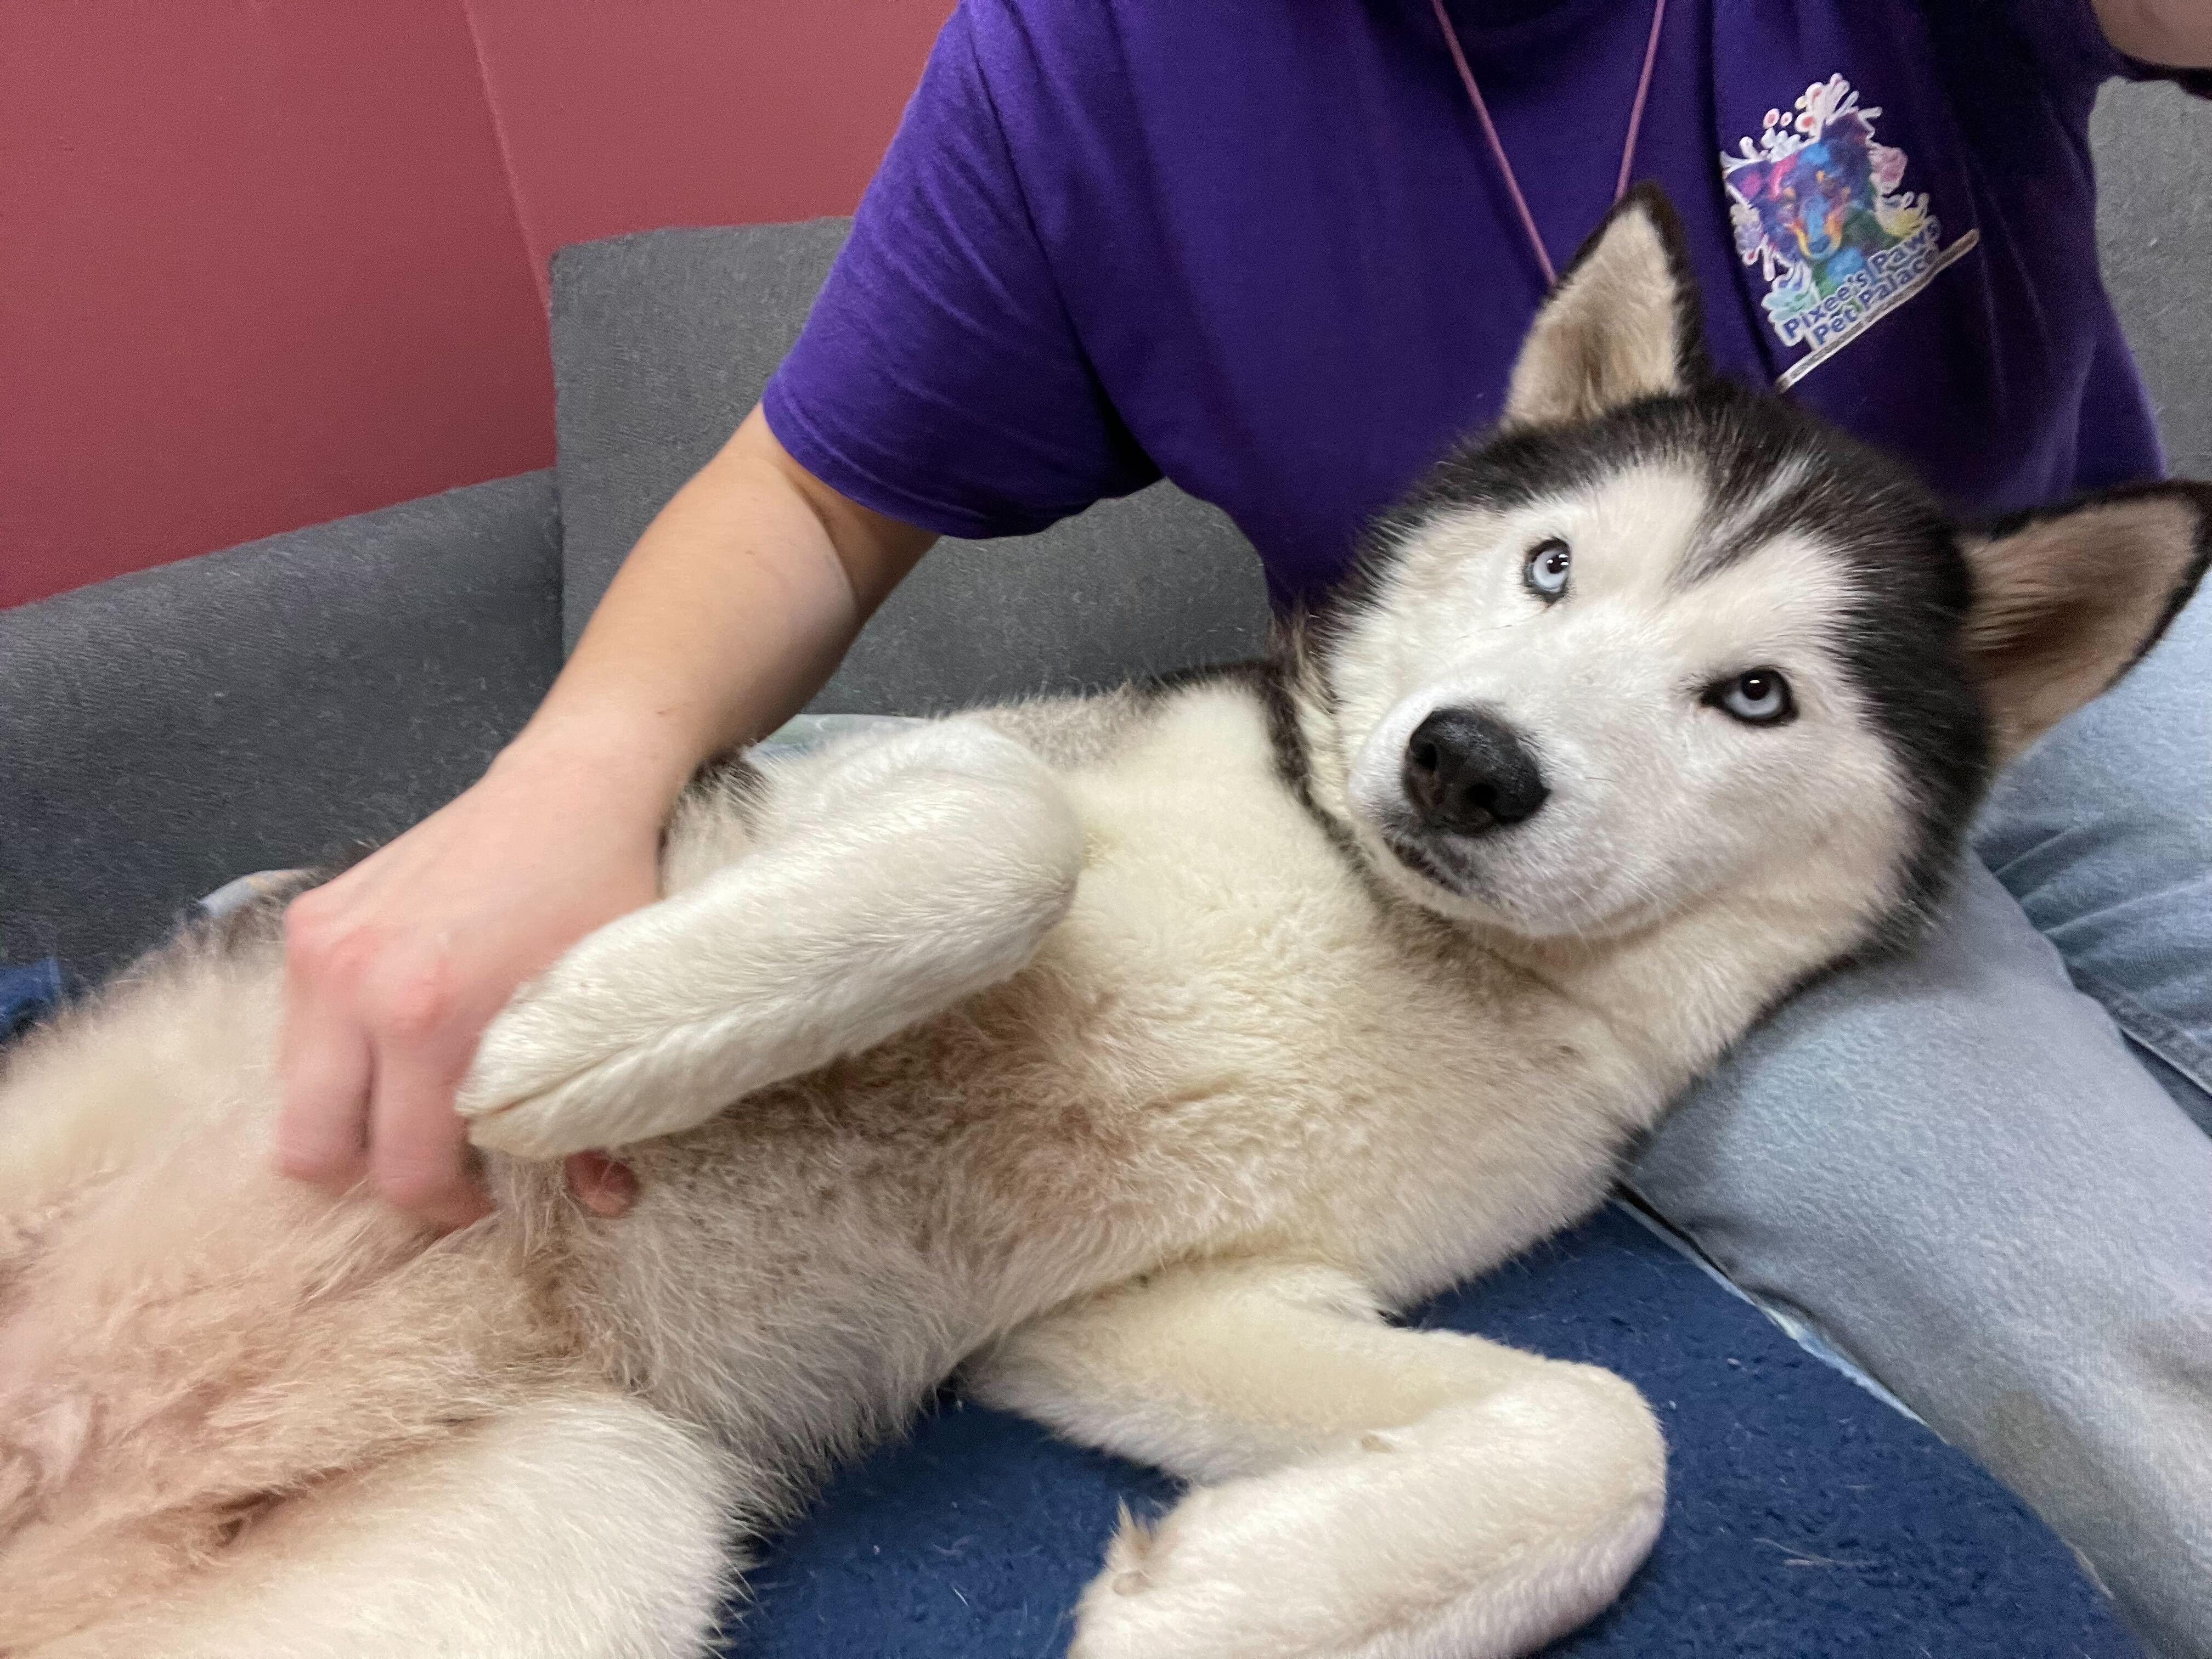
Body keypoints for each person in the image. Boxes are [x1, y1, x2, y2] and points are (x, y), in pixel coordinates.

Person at [273, 2, 2212, 1651]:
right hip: (1571, 860)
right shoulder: (1105, 54)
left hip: (2028, 666)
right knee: (2101, 1304)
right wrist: (572, 783)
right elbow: (812, 489)